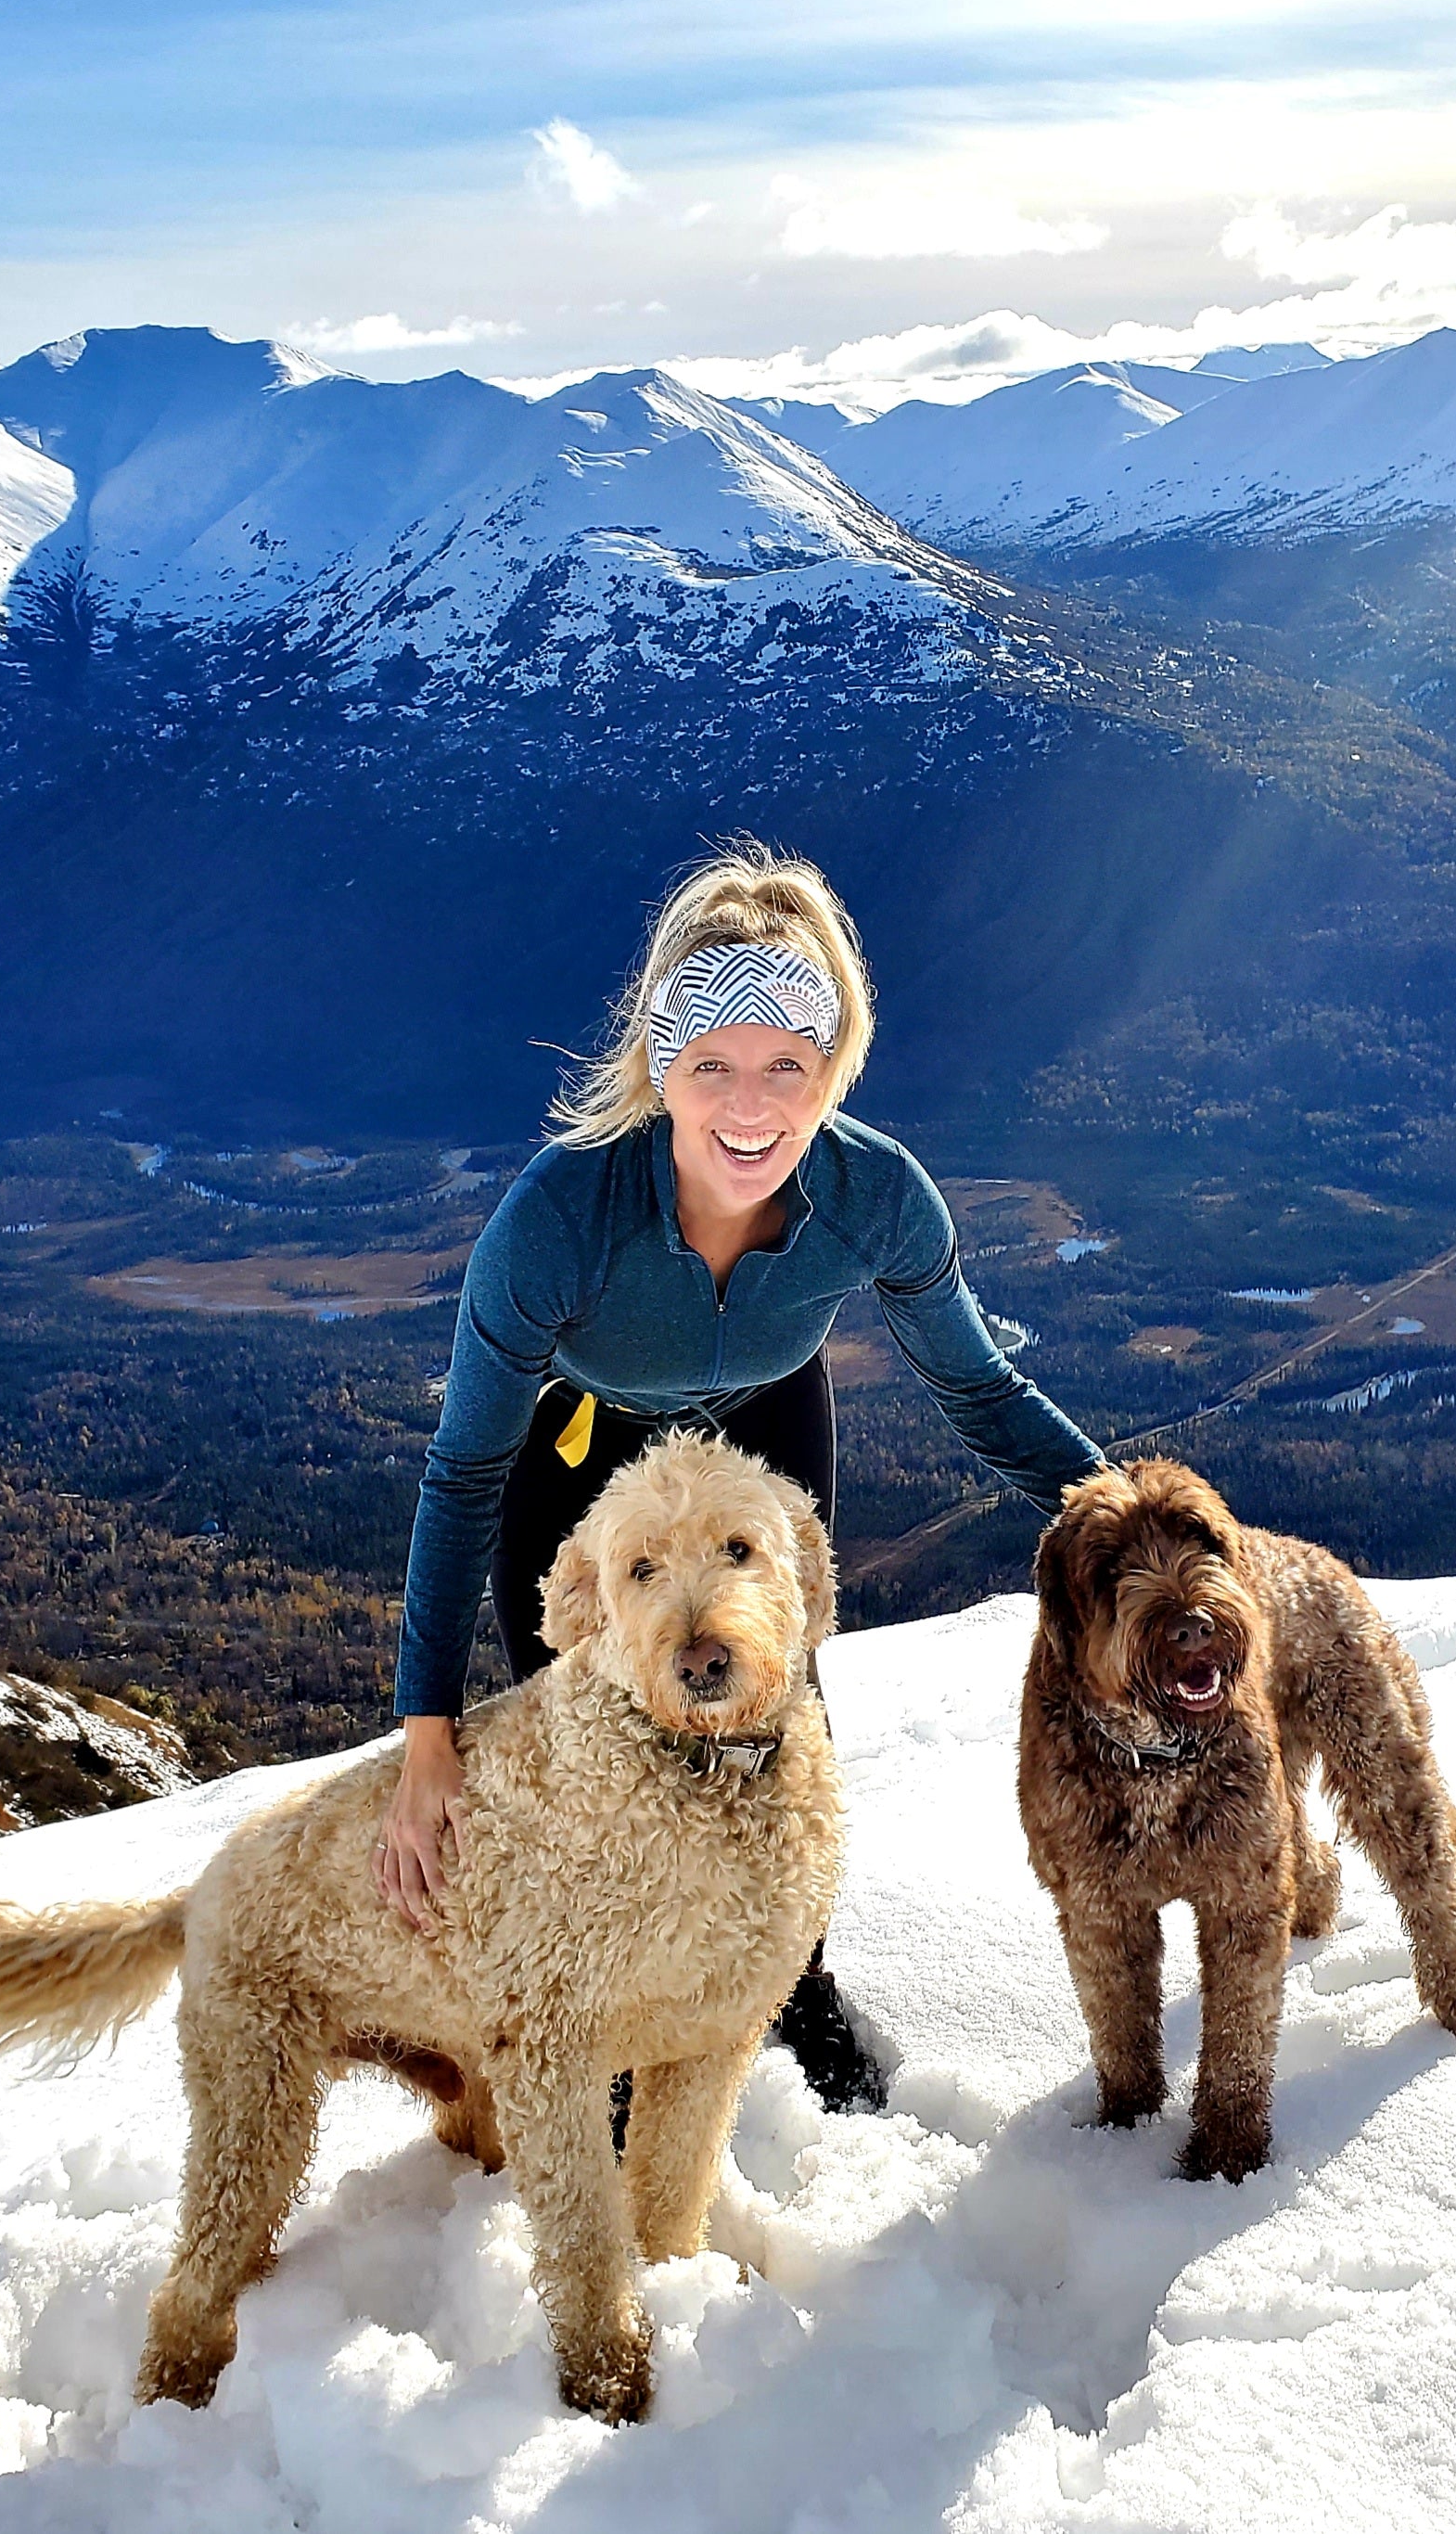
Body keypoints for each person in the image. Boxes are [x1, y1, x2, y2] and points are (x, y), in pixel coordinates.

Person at [376, 842, 1107, 2107]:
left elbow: (981, 1392)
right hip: (581, 1457)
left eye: (789, 1065)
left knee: (782, 1720)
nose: (751, 1103)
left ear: (836, 1066)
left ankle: (794, 1984)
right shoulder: (560, 1218)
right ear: (661, 1066)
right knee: (589, 1743)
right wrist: (427, 1737)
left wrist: (1139, 1521)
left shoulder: (874, 1194)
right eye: (711, 1064)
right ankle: (601, 2027)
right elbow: (464, 1474)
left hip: (767, 1431)